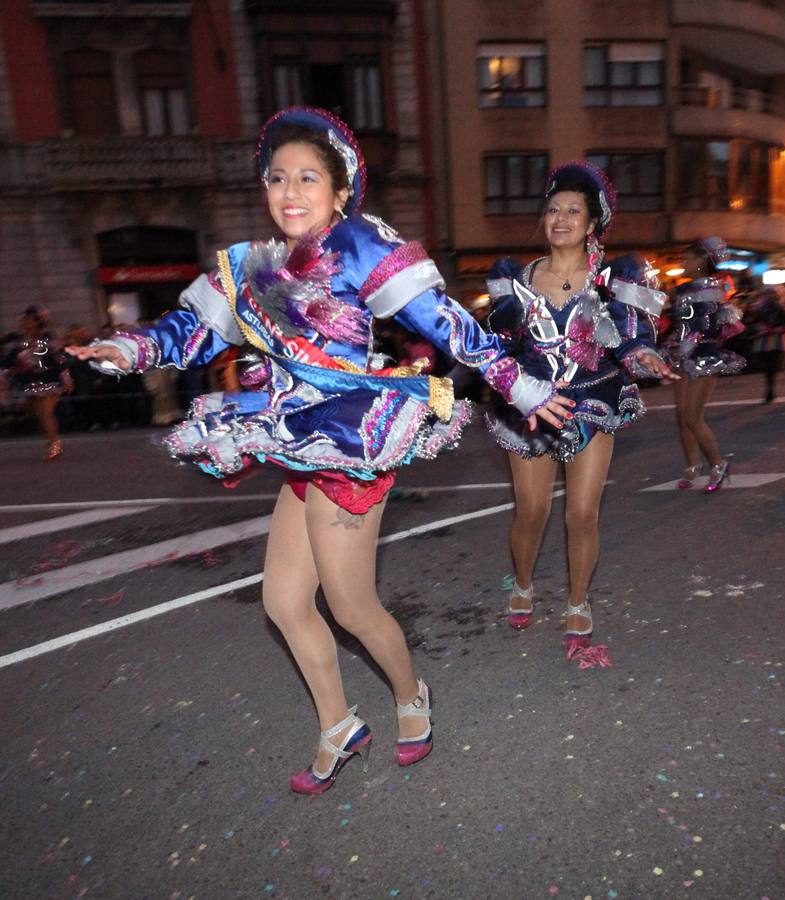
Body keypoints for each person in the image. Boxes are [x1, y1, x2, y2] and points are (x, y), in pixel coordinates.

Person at [67, 106, 573, 794]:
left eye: (308, 177)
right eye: (276, 178)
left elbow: (445, 321)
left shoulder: (360, 242)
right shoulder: (248, 267)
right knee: (281, 602)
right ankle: (338, 725)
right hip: (294, 442)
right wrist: (121, 346)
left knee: (351, 606)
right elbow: (185, 333)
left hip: (350, 439)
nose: (289, 191)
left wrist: (517, 382)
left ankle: (411, 694)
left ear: (339, 192)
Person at [485, 161, 676, 666]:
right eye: (552, 209)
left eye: (573, 210)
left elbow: (631, 338)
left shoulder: (613, 281)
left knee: (583, 513)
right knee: (532, 511)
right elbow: (497, 346)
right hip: (532, 409)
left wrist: (645, 357)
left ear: (592, 224)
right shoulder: (514, 279)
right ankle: (523, 584)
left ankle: (577, 600)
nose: (560, 218)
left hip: (594, 401)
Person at [662, 238, 745, 490]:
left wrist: (686, 347)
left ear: (700, 261)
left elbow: (705, 329)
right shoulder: (685, 289)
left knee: (692, 416)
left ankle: (718, 464)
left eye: (687, 258)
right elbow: (681, 326)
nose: (683, 262)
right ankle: (692, 465)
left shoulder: (710, 290)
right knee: (682, 415)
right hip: (683, 356)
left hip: (702, 357)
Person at [1, 305, 71, 459]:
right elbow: (7, 361)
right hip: (28, 383)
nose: (25, 323)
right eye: (23, 320)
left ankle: (54, 445)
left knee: (46, 413)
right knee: (37, 414)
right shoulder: (18, 341)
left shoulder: (49, 338)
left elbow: (60, 359)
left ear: (39, 321)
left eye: (29, 320)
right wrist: (4, 375)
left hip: (50, 380)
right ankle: (52, 440)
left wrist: (66, 378)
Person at [746, 285, 785, 403]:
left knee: (771, 366)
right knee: (765, 365)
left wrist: (775, 329)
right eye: (766, 293)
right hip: (762, 340)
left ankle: (770, 390)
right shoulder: (759, 308)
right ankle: (769, 388)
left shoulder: (778, 308)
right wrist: (757, 328)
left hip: (773, 339)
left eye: (770, 293)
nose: (768, 296)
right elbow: (753, 322)